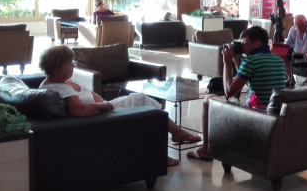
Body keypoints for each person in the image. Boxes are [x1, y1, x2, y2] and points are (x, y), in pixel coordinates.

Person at [38, 45, 200, 167]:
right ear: (58, 66)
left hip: (103, 108)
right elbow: (81, 110)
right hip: (102, 115)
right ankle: (165, 148)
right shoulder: (59, 88)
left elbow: (87, 98)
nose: (73, 66)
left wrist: (104, 103)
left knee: (141, 99)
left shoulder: (58, 82)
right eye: (69, 64)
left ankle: (174, 134)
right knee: (146, 108)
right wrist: (106, 106)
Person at [188, 25, 286, 161]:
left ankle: (205, 150)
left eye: (244, 44)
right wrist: (235, 60)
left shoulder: (251, 61)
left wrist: (226, 62)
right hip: (273, 114)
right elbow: (247, 81)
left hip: (256, 116)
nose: (242, 47)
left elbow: (229, 92)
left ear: (257, 43)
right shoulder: (278, 60)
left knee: (208, 99)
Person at [284, 14, 307, 86]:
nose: (298, 29)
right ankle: (290, 79)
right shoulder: (293, 29)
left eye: (300, 26)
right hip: (297, 55)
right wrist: (281, 50)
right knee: (283, 56)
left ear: (306, 23)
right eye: (296, 26)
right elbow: (287, 43)